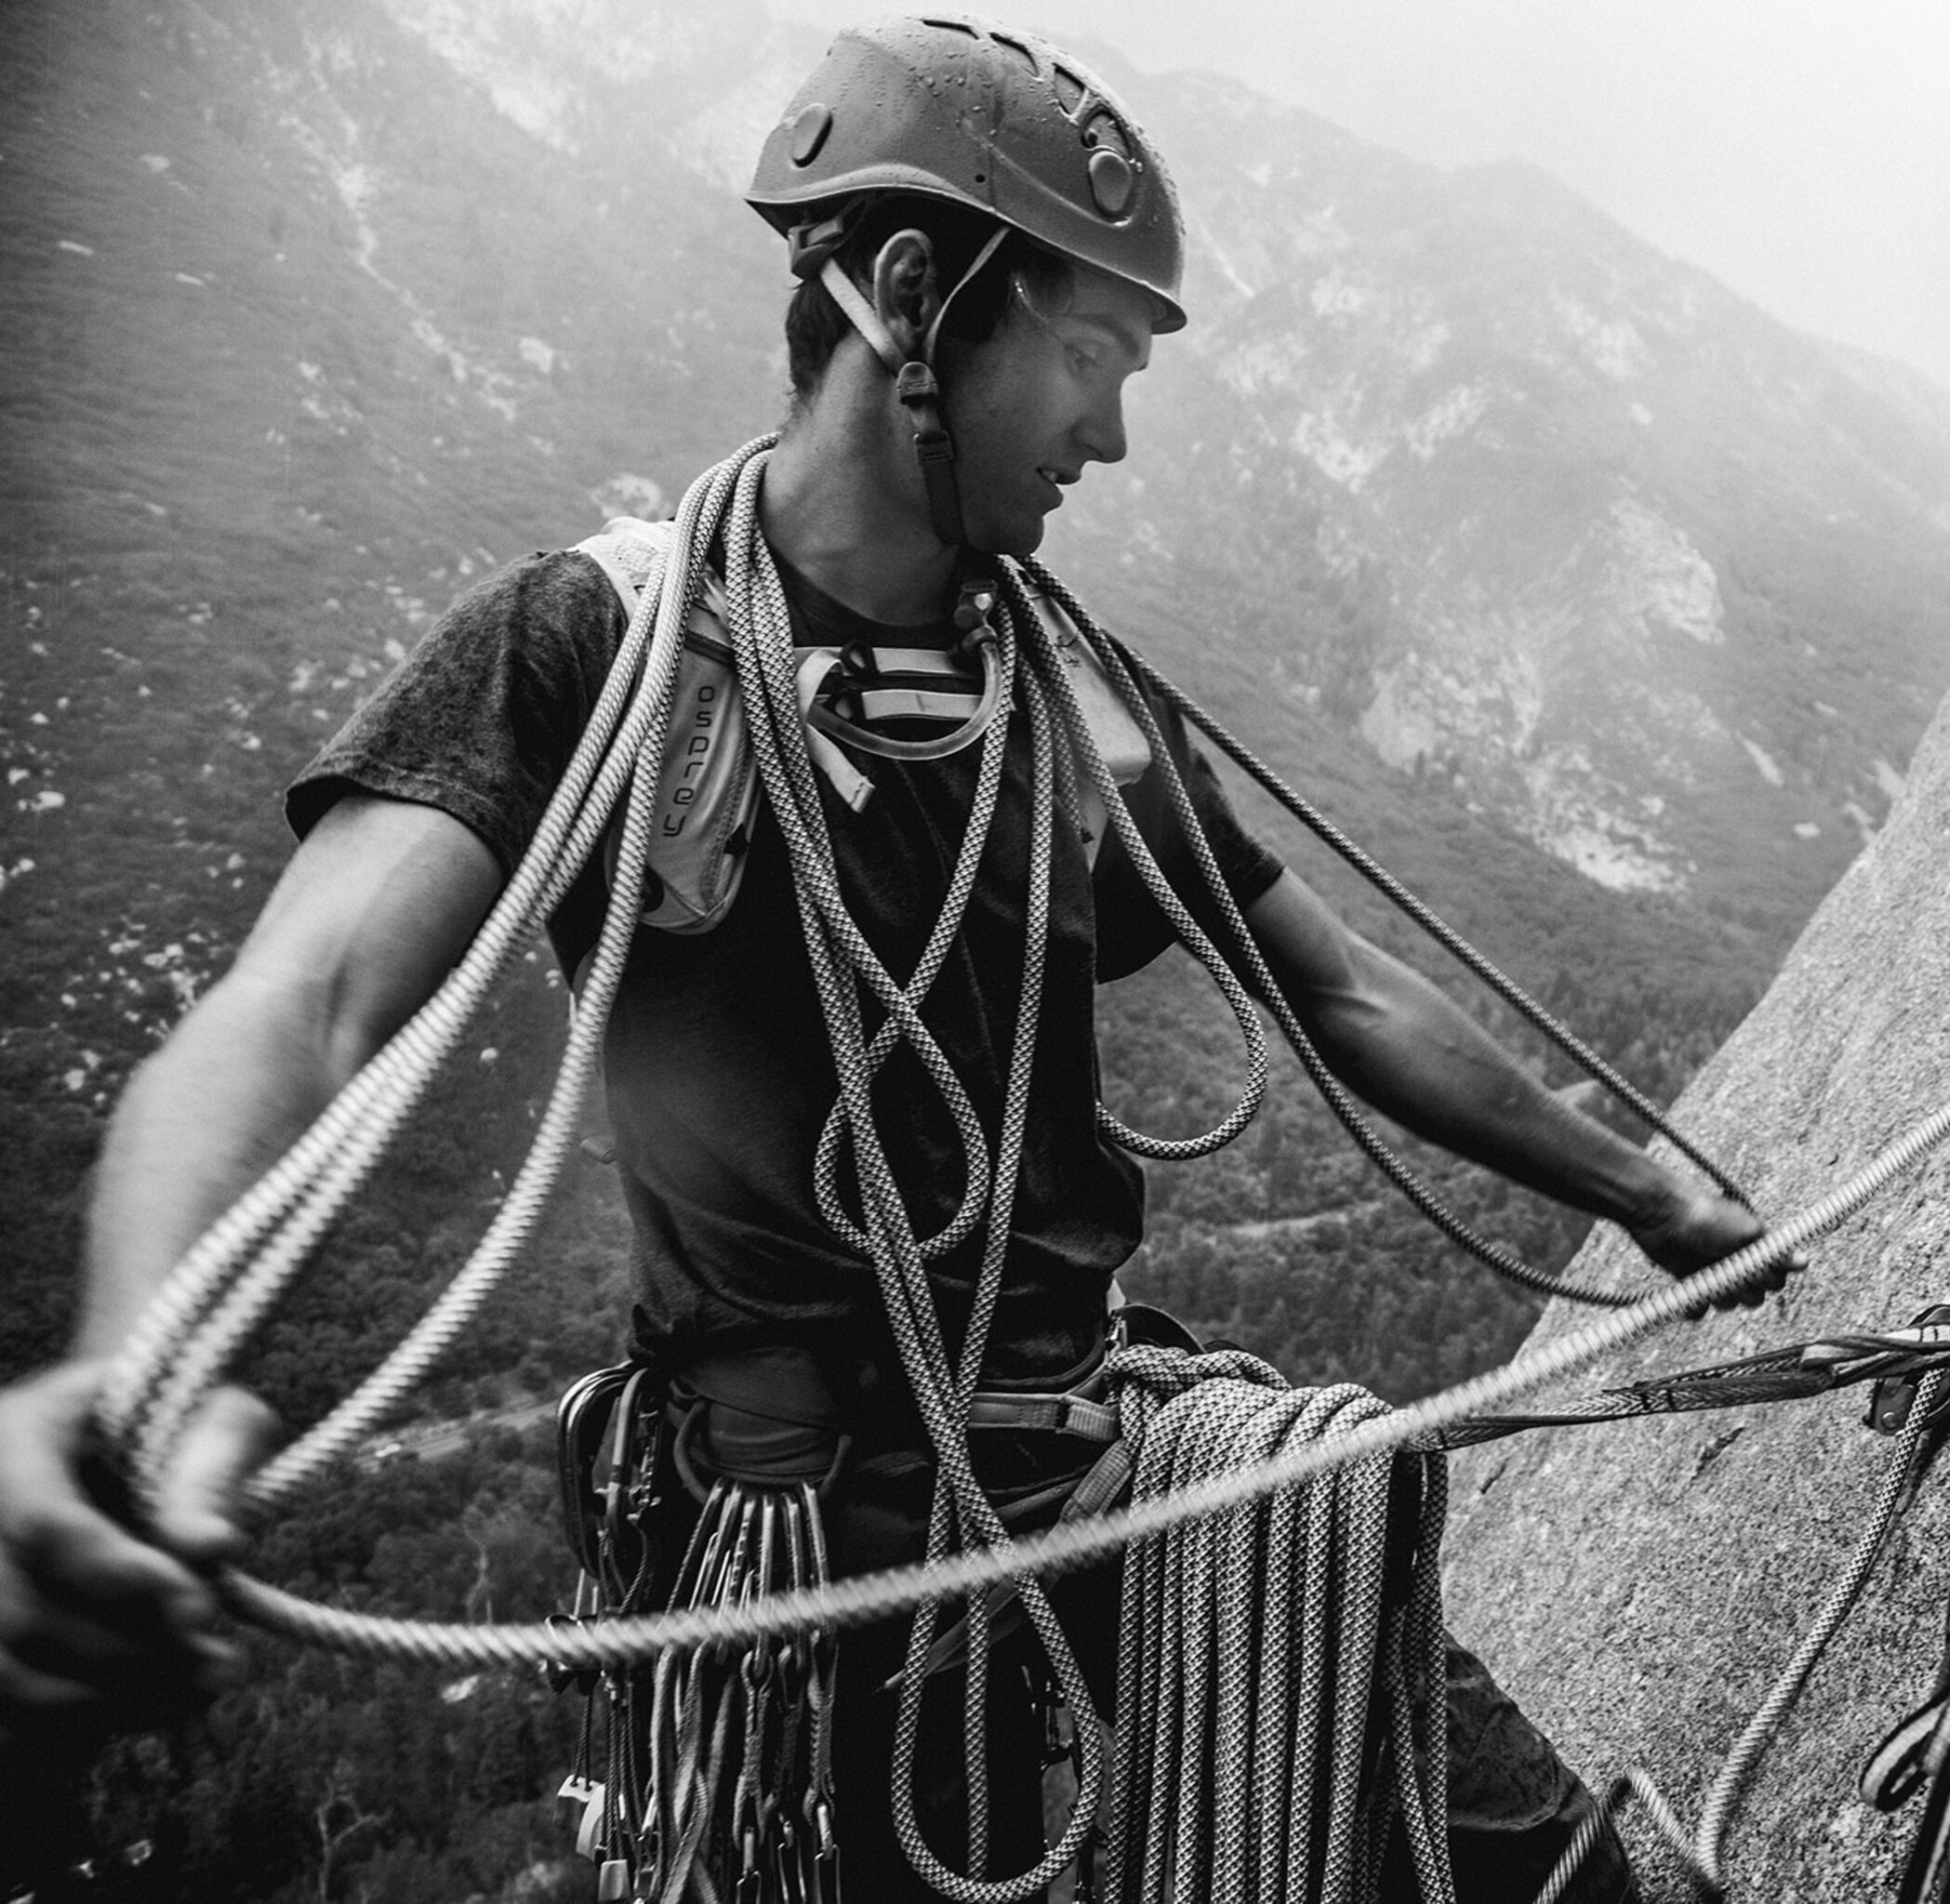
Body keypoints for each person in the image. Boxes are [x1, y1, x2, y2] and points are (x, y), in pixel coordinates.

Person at [0, 16, 1776, 1899]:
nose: (1113, 430)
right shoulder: (611, 650)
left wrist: (1653, 1193)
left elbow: (1344, 993)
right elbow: (305, 1003)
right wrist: (131, 1373)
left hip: (1102, 1467)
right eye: (1089, 355)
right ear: (916, 299)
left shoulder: (1074, 709)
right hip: (805, 1574)